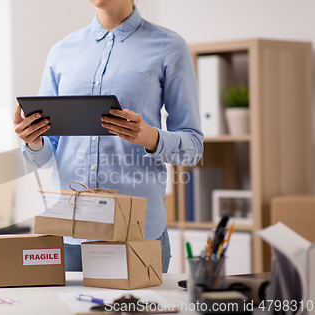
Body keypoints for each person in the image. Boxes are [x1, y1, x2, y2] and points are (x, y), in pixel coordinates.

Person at [14, 0, 203, 273]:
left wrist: (149, 136)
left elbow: (193, 148)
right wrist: (33, 141)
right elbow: (46, 154)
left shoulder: (168, 46)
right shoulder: (62, 51)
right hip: (68, 232)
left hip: (137, 232)